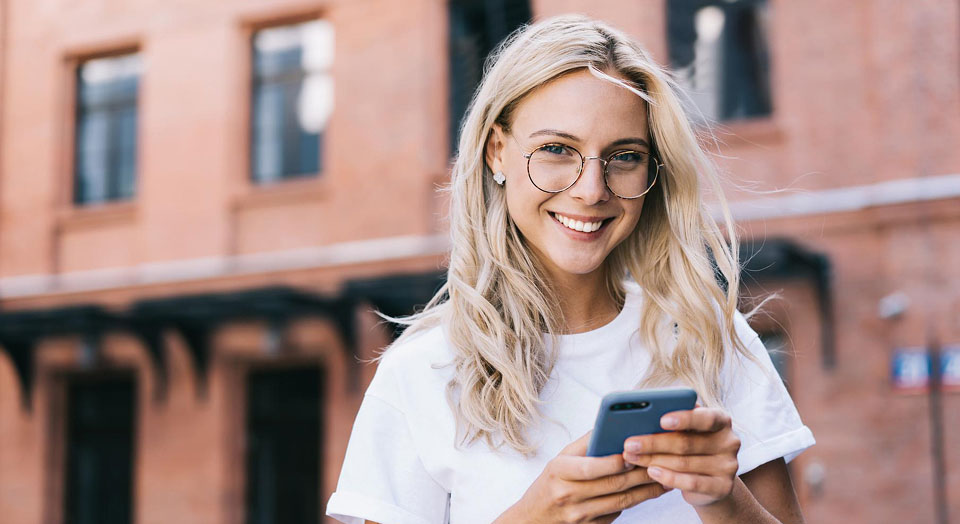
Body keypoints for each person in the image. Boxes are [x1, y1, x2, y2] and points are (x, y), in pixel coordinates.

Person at [326, 14, 814, 524]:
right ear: (498, 151)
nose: (591, 190)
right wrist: (535, 517)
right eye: (557, 150)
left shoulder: (712, 337)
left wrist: (723, 498)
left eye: (624, 156)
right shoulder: (423, 370)